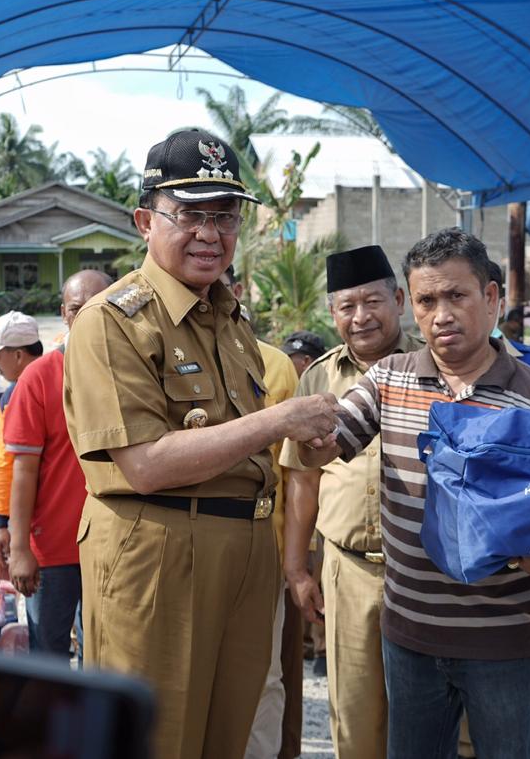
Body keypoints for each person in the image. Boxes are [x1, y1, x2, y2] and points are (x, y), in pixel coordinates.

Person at [63, 128, 337, 759]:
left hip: (243, 553)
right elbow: (144, 464)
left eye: (225, 216)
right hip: (160, 552)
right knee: (156, 740)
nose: (210, 234)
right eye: (190, 214)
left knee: (230, 739)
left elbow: (246, 450)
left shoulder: (230, 319)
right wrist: (278, 421)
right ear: (145, 220)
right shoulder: (113, 321)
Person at [297, 228, 530, 759]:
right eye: (427, 300)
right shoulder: (387, 380)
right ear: (412, 307)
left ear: (491, 299)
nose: (441, 314)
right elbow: (326, 447)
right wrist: (301, 430)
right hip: (410, 638)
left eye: (456, 296)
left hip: (502, 640)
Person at [282, 245, 422, 759]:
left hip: (426, 574)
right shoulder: (317, 377)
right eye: (347, 306)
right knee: (356, 717)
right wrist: (298, 569)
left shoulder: (433, 367)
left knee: (427, 717)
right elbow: (302, 479)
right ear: (332, 313)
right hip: (350, 570)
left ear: (399, 300)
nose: (361, 317)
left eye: (372, 302)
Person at [0, 272, 110, 660]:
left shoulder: (132, 371)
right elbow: (22, 471)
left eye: (100, 305)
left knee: (105, 656)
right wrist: (20, 547)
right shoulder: (38, 377)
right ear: (64, 313)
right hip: (53, 550)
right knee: (49, 656)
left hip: (114, 547)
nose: (89, 317)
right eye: (78, 309)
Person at [217, 267, 302, 759]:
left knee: (264, 677)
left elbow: (292, 476)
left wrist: (296, 558)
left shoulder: (275, 366)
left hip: (263, 551)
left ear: (239, 291)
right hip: (191, 549)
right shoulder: (154, 353)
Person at [0, 312, 45, 581]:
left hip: (39, 529)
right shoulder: (68, 376)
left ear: (18, 355)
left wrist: (1, 522)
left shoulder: (14, 394)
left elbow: (6, 463)